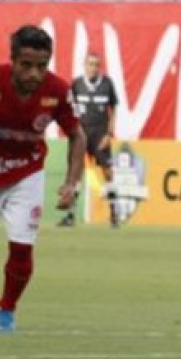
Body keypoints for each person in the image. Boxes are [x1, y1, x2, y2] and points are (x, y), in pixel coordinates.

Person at [0, 25, 86, 333]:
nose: (34, 74)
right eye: (26, 65)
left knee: (22, 247)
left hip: (26, 174)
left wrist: (71, 183)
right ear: (13, 61)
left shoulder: (58, 92)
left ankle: (6, 309)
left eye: (41, 66)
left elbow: (77, 135)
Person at [58, 52, 120, 228]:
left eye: (96, 64)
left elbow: (114, 107)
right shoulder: (77, 84)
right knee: (76, 172)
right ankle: (70, 215)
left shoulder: (107, 84)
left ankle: (114, 213)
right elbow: (69, 108)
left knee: (107, 172)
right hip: (81, 134)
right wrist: (71, 131)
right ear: (84, 65)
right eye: (90, 64)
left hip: (100, 135)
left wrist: (109, 133)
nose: (93, 68)